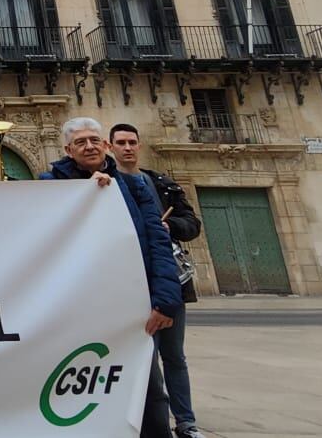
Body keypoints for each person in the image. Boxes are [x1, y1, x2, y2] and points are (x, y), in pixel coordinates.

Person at [41, 117, 182, 438]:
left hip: (131, 304)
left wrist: (166, 299)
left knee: (148, 387)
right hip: (78, 307)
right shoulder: (49, 184)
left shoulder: (132, 186)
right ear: (68, 150)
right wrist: (84, 191)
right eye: (80, 142)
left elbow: (158, 242)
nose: (89, 146)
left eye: (94, 140)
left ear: (105, 145)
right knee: (79, 383)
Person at [112, 123, 206, 438]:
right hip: (133, 284)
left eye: (132, 142)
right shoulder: (106, 184)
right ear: (111, 147)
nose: (127, 148)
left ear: (139, 145)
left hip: (170, 282)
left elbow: (192, 224)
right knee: (145, 362)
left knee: (174, 357)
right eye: (121, 143)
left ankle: (186, 422)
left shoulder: (162, 184)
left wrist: (170, 227)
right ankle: (153, 422)